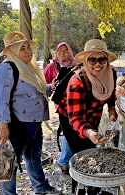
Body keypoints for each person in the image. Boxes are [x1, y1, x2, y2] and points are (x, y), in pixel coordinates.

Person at [0, 31, 61, 195]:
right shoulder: (6, 69)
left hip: (34, 123)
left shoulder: (29, 68)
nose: (28, 51)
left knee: (33, 157)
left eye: (29, 47)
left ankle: (41, 187)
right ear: (12, 52)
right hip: (17, 125)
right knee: (9, 163)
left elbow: (36, 92)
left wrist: (52, 87)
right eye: (22, 48)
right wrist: (2, 127)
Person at [57, 39, 118, 194]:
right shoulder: (77, 82)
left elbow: (110, 95)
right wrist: (89, 132)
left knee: (92, 151)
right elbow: (75, 118)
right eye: (92, 59)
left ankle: (93, 188)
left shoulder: (112, 73)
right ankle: (80, 189)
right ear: (85, 60)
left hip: (93, 115)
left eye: (102, 59)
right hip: (72, 119)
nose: (98, 64)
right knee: (81, 156)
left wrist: (111, 109)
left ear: (107, 60)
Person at [43, 42, 75, 175]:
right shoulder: (52, 66)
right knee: (68, 131)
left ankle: (68, 160)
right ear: (56, 52)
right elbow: (42, 84)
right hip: (62, 104)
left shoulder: (75, 65)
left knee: (73, 130)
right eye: (60, 50)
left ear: (69, 52)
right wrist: (52, 85)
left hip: (75, 102)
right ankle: (64, 161)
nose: (62, 53)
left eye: (65, 50)